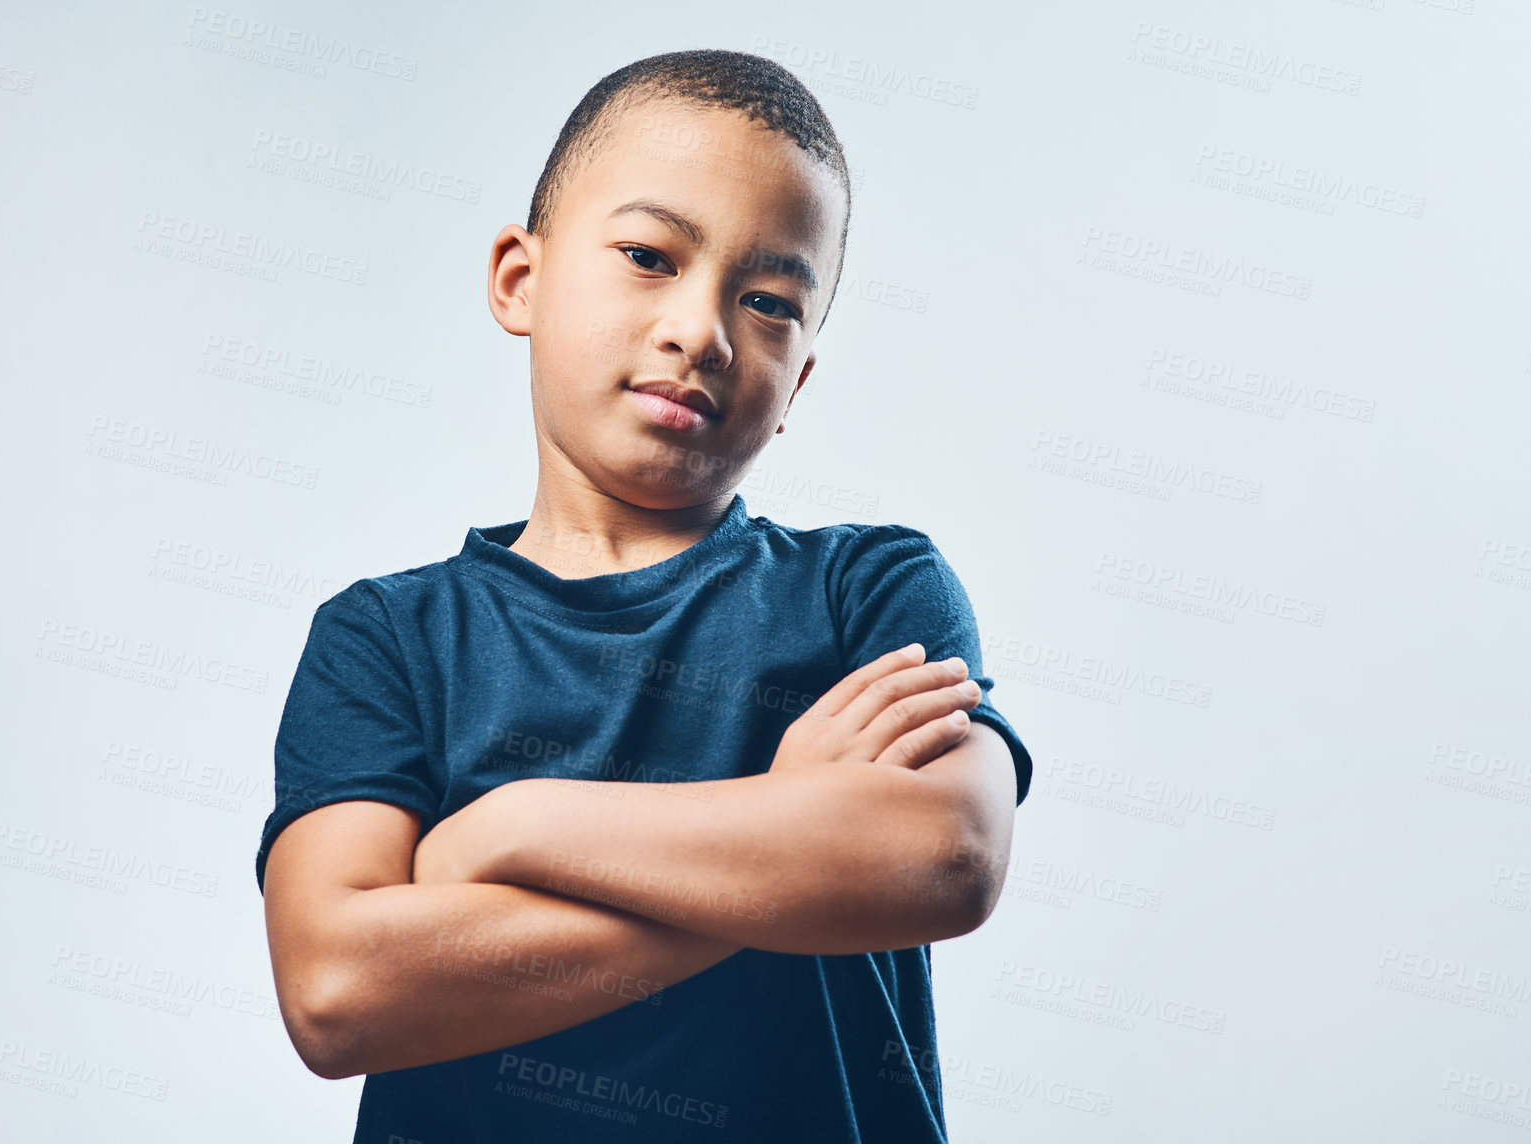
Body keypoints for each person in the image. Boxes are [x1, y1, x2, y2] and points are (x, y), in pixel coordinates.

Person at [255, 47, 1033, 1143]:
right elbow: (340, 993)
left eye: (768, 301)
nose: (701, 331)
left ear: (800, 376)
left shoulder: (870, 586)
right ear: (519, 280)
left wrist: (514, 828)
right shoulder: (389, 640)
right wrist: (788, 843)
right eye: (648, 255)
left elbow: (943, 856)